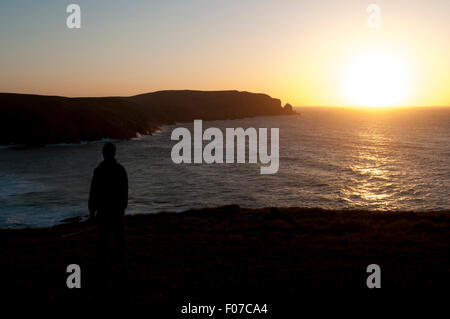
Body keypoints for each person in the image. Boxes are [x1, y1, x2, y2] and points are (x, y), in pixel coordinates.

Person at [88, 142, 128, 264]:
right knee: (118, 238)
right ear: (114, 153)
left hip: (103, 210)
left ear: (103, 154)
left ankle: (102, 264)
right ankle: (120, 263)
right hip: (117, 210)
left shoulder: (99, 170)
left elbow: (93, 192)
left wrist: (92, 211)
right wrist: (123, 207)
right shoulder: (120, 169)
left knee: (102, 240)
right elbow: (125, 191)